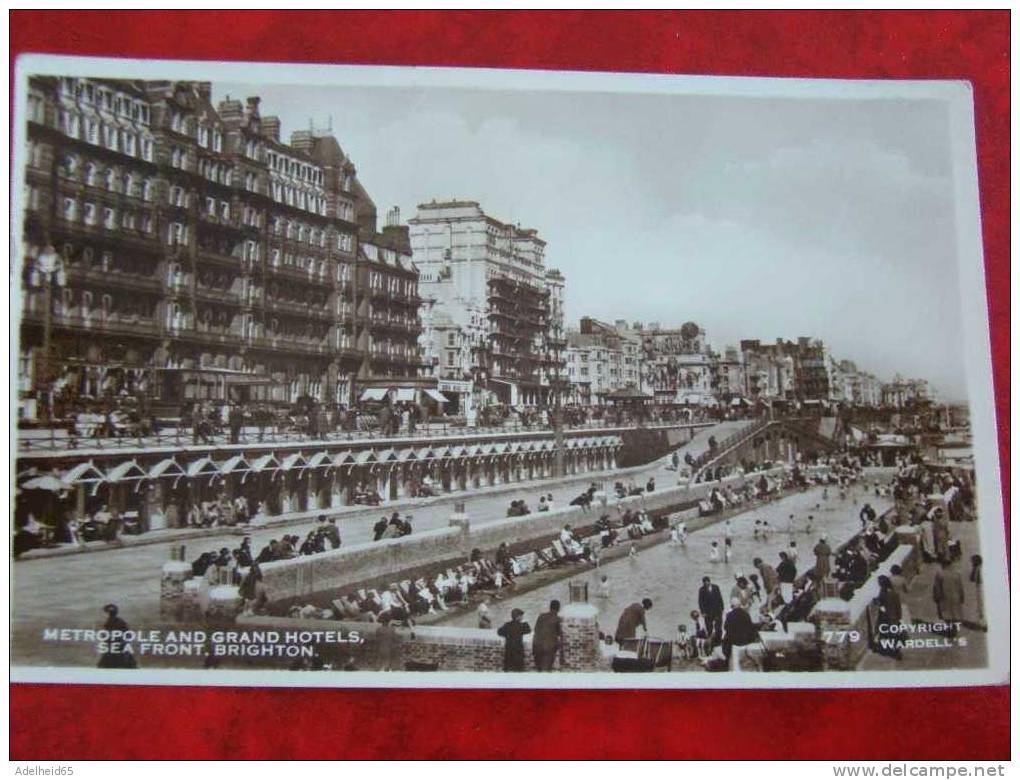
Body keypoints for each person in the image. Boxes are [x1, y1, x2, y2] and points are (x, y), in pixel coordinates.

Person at [97, 604, 137, 669]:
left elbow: (125, 635)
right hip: (117, 649)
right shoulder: (117, 622)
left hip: (116, 650)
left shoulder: (111, 622)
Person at [873, 575, 903, 660]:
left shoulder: (891, 593)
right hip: (886, 616)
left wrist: (899, 617)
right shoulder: (884, 591)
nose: (878, 584)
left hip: (890, 617)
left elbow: (896, 605)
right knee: (888, 634)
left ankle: (895, 652)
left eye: (879, 582)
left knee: (892, 635)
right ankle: (890, 650)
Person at [933, 558, 965, 637]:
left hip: (944, 597)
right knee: (955, 614)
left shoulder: (940, 574)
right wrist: (962, 597)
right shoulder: (957, 574)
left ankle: (951, 630)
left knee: (946, 614)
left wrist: (937, 598)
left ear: (943, 565)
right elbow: (961, 587)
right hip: (955, 597)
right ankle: (954, 630)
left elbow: (937, 588)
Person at [721, 597, 757, 665]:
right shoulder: (746, 614)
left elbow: (726, 627)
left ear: (732, 606)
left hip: (735, 641)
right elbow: (750, 626)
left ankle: (726, 660)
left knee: (725, 641)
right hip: (745, 640)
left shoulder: (729, 615)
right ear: (740, 605)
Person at [532, 600, 563, 671]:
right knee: (546, 670)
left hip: (537, 646)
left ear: (550, 607)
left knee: (539, 669)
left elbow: (536, 629)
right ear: (558, 608)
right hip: (549, 648)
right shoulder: (558, 619)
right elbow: (559, 633)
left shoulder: (541, 616)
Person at [698, 577, 724, 642]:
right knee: (709, 627)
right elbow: (700, 602)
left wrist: (722, 608)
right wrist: (703, 612)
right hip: (707, 612)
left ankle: (719, 640)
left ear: (710, 581)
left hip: (717, 610)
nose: (706, 584)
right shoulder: (701, 590)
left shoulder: (716, 587)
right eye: (705, 583)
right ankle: (710, 641)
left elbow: (720, 598)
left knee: (718, 627)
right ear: (703, 583)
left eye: (707, 582)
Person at [969, 554, 985, 628]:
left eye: (972, 562)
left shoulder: (977, 569)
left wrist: (973, 569)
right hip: (980, 588)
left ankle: (983, 623)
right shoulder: (979, 568)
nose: (971, 563)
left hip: (980, 589)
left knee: (980, 606)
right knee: (980, 605)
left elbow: (972, 578)